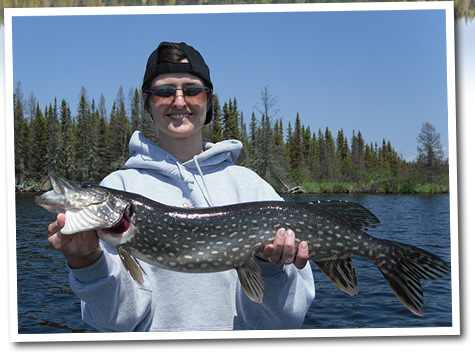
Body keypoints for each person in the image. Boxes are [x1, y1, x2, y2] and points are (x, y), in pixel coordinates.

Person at [47, 41, 315, 332]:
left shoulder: (250, 187)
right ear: (146, 101)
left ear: (209, 100)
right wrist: (87, 262)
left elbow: (287, 321)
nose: (178, 101)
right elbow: (117, 323)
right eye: (163, 92)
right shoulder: (119, 185)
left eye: (192, 90)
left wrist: (272, 271)